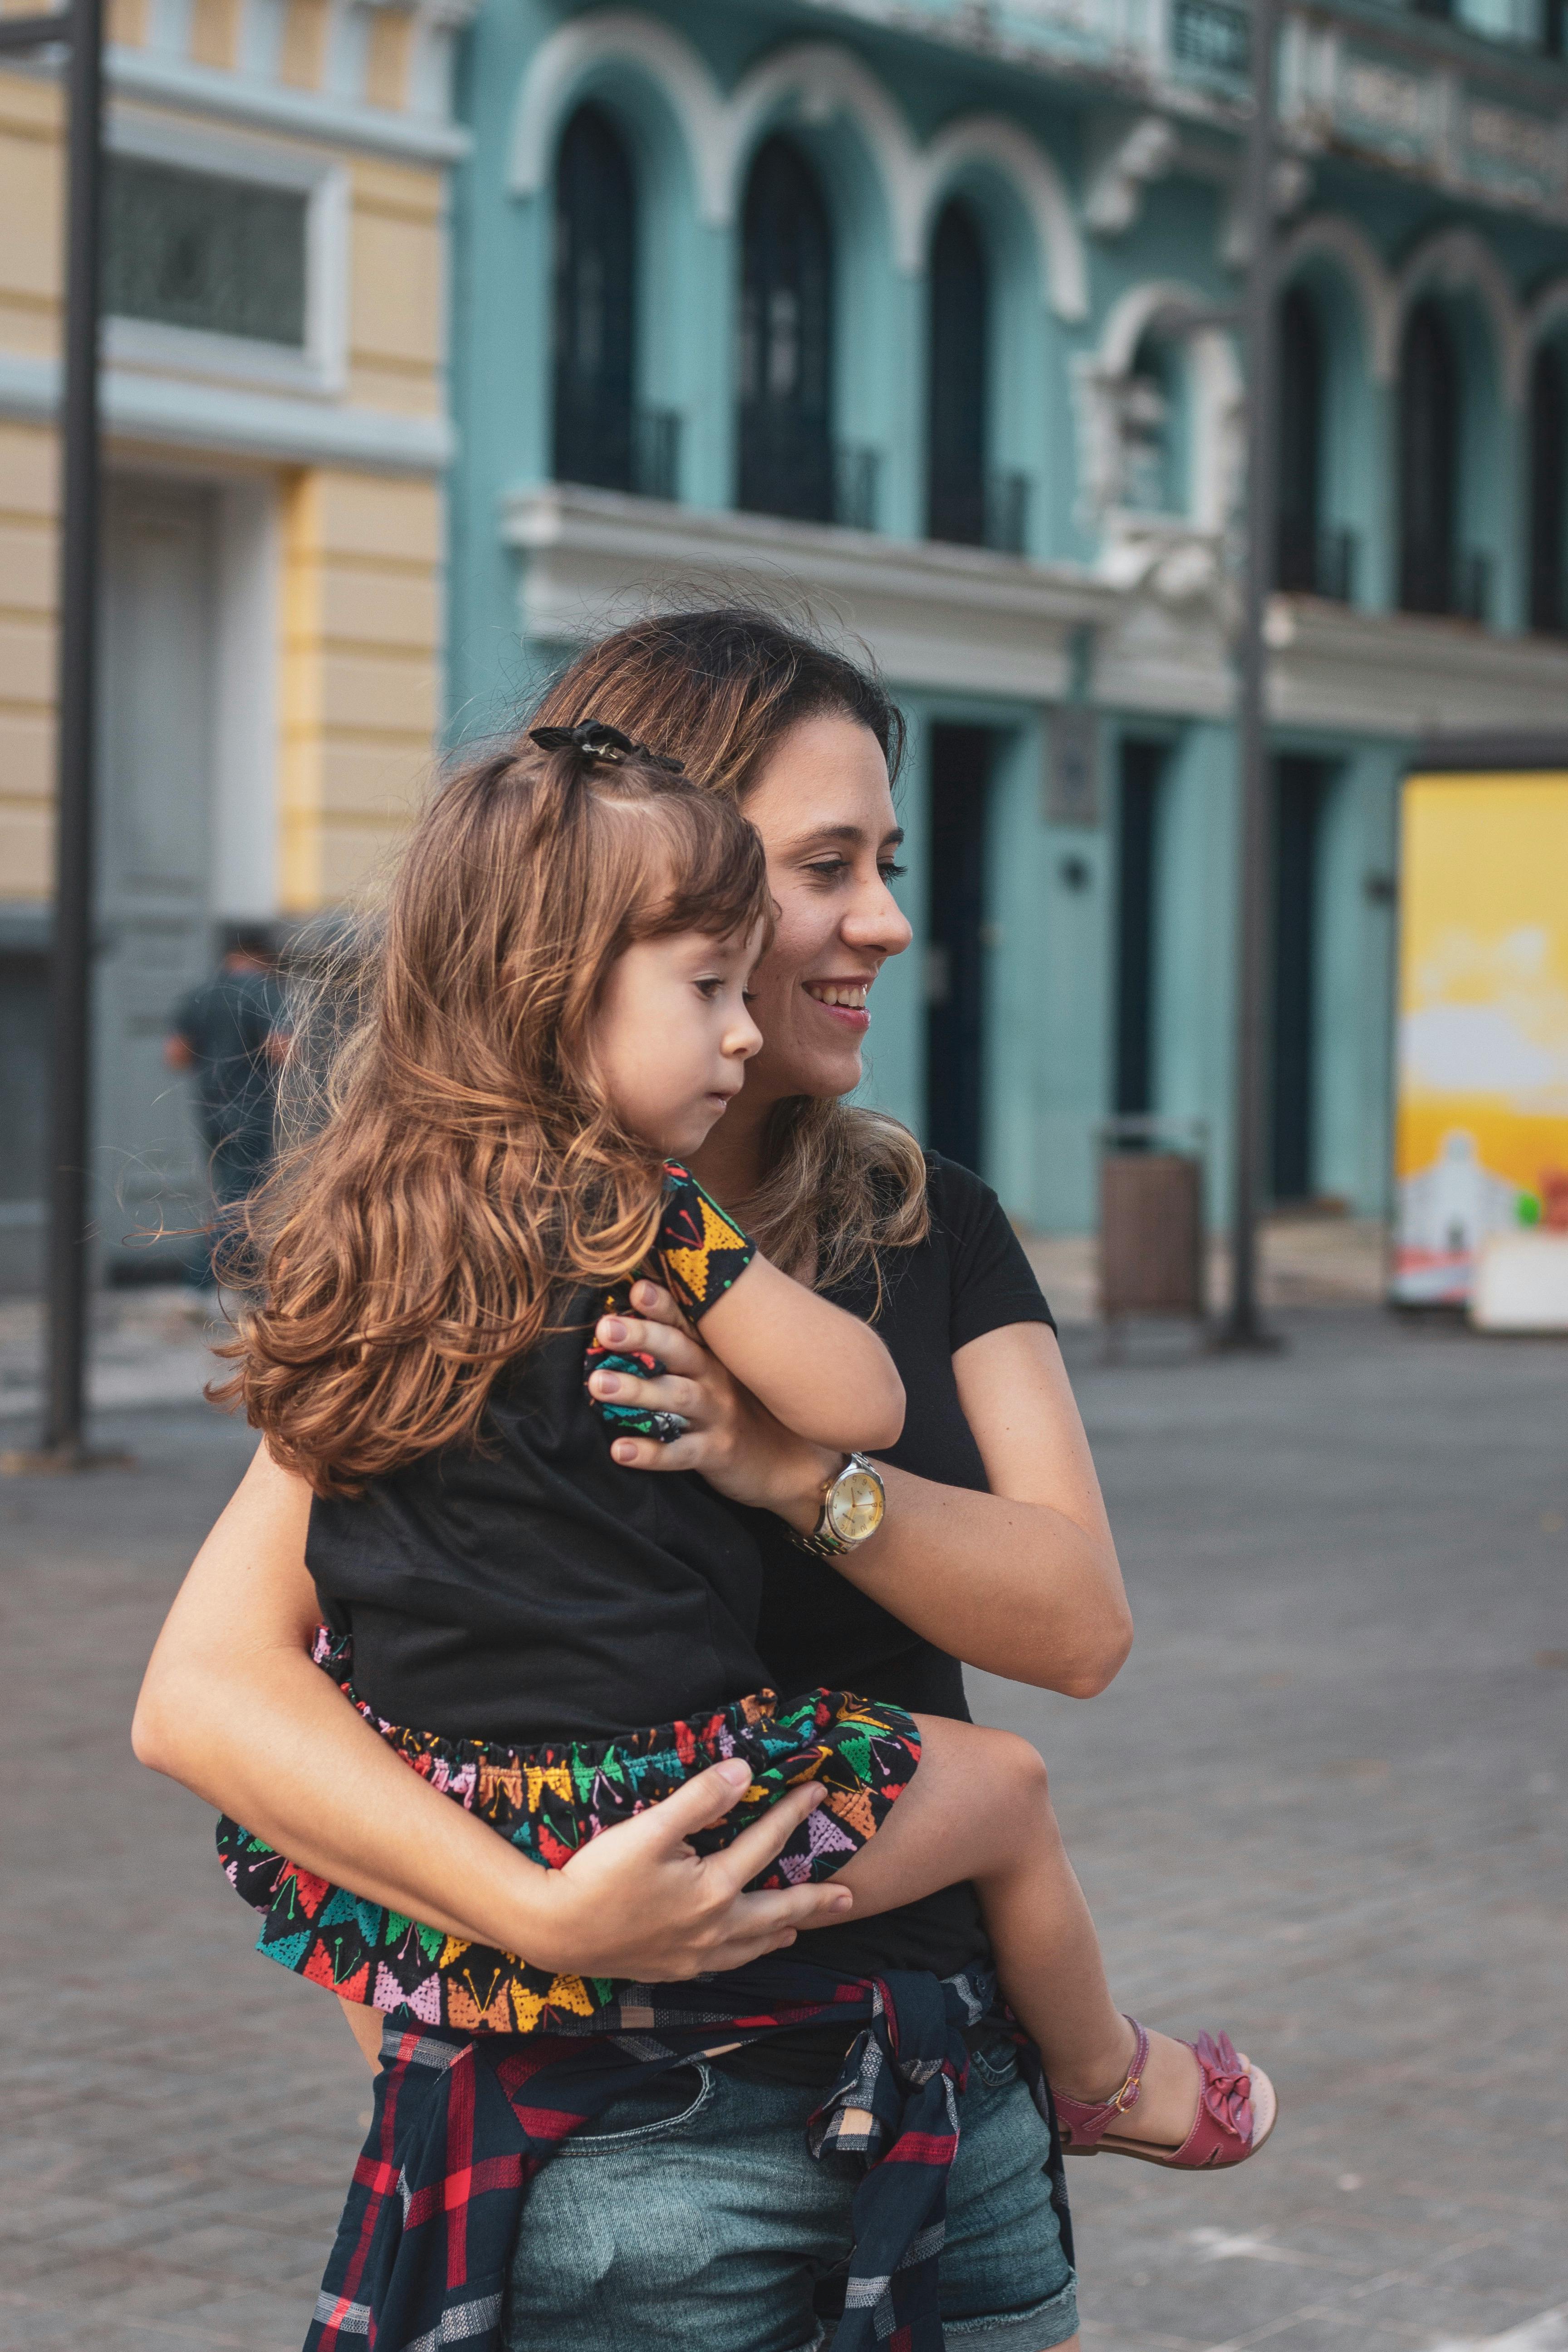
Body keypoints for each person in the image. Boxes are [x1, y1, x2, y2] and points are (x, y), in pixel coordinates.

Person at [133, 609, 1264, 2352]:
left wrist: (793, 1470)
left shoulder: (924, 1225)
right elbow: (213, 1689)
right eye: (827, 866)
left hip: (950, 2102)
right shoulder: (463, 1242)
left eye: (885, 860)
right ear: (610, 914)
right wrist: (543, 1916)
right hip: (627, 2145)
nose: (883, 919)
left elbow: (1078, 1625)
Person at [165, 926, 288, 1284]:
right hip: (253, 1109)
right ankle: (201, 1284)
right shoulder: (263, 991)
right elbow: (282, 1049)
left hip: (211, 1109)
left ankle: (248, 1285)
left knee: (228, 1195)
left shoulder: (200, 994)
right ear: (262, 955)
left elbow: (176, 1055)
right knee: (241, 1203)